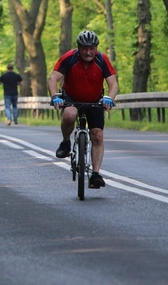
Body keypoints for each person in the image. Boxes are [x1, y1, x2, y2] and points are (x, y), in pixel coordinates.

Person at [47, 30, 118, 189]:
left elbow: (113, 84)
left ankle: (96, 174)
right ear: (78, 47)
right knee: (70, 114)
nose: (88, 52)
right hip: (72, 98)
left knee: (97, 135)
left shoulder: (102, 60)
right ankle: (66, 143)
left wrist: (109, 98)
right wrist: (54, 96)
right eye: (84, 48)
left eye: (92, 48)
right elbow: (52, 78)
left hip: (94, 100)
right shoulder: (69, 58)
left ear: (96, 48)